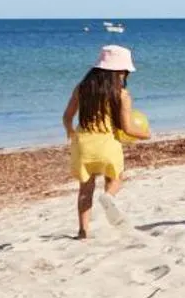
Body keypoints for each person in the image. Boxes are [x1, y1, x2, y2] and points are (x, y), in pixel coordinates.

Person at [61, 44, 150, 239]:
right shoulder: (121, 95)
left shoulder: (82, 88)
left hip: (83, 144)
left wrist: (69, 131)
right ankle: (108, 197)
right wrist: (145, 135)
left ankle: (83, 232)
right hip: (108, 143)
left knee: (85, 189)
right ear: (120, 71)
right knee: (116, 177)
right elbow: (127, 128)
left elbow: (67, 116)